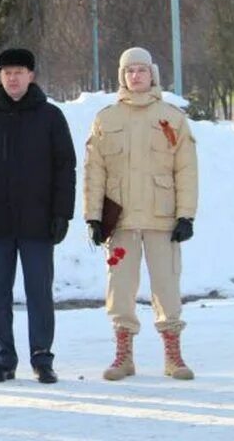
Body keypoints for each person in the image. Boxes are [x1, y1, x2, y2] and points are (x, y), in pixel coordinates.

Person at [0, 48, 76, 385]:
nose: (13, 78)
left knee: (39, 292)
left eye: (19, 71)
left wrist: (61, 213)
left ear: (31, 76)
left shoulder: (50, 117)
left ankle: (42, 357)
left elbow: (64, 167)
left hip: (38, 222)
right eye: (7, 72)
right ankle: (3, 359)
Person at [84, 46, 198, 381]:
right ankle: (123, 356)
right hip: (120, 222)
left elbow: (186, 169)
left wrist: (185, 215)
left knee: (167, 286)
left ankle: (173, 356)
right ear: (122, 76)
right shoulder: (107, 118)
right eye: (130, 71)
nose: (136, 76)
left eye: (142, 70)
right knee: (119, 288)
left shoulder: (172, 117)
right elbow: (95, 170)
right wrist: (93, 216)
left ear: (153, 75)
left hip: (162, 219)